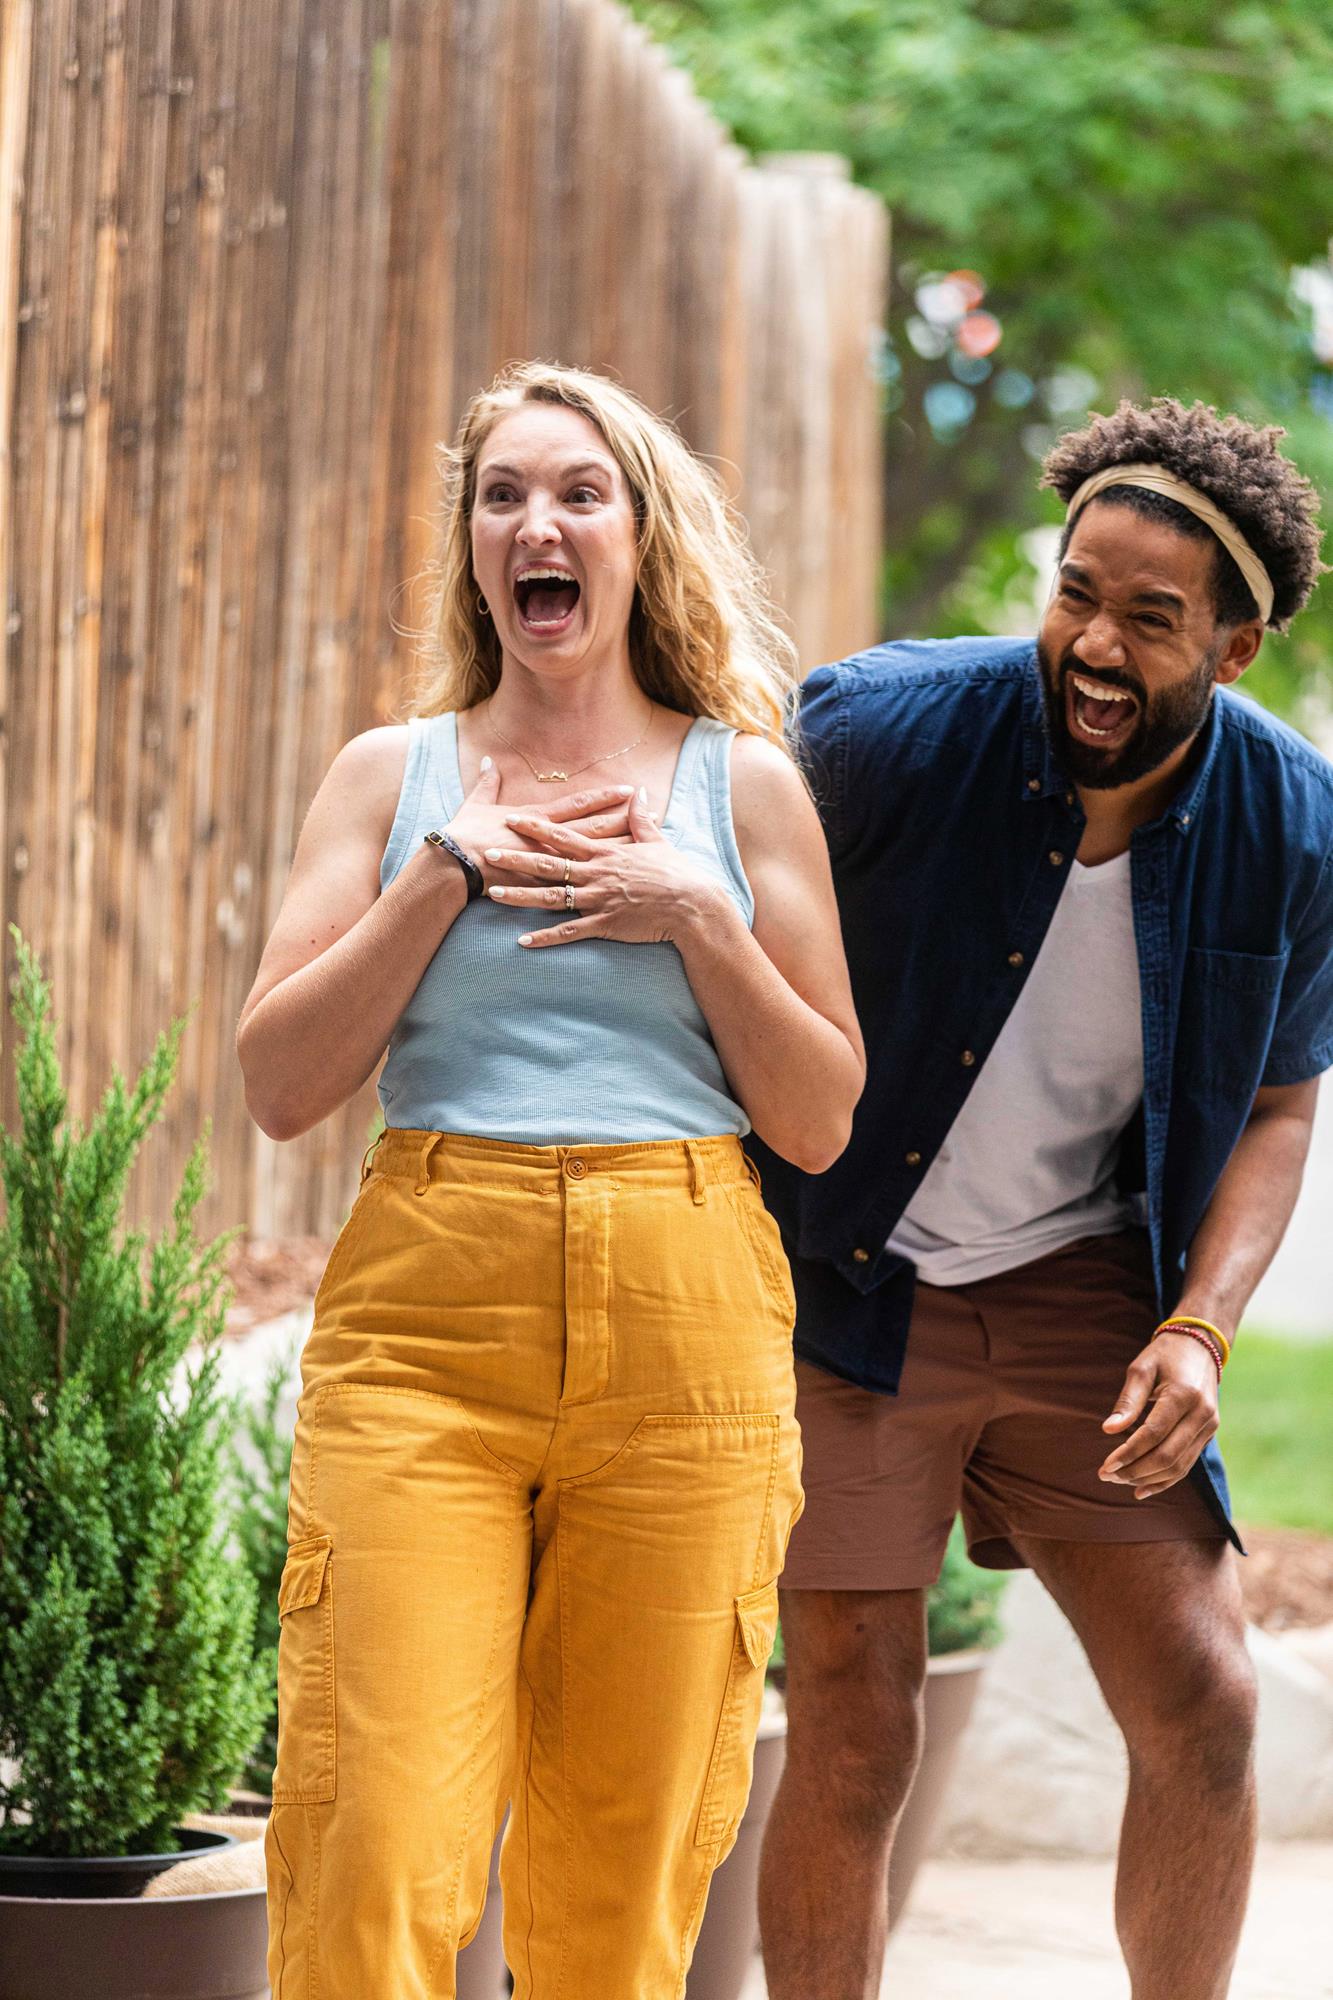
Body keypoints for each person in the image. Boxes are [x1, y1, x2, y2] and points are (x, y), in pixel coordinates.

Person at [236, 360, 863, 1999]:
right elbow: (280, 1084)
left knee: (623, 1869)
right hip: (424, 1337)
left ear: (640, 537)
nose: (539, 523)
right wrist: (442, 877)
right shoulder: (391, 778)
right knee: (374, 1835)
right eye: (501, 494)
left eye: (580, 493)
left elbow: (816, 1118)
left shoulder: (744, 786)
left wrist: (695, 914)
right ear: (470, 546)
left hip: (686, 1329)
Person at [752, 398, 1332, 2000]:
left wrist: (1199, 1327)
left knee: (1206, 1701)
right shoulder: (874, 731)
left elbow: (1280, 1105)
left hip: (1083, 1283)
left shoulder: (1292, 825)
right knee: (856, 1718)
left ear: (1233, 650)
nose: (1091, 643)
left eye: (1149, 618)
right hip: (848, 1278)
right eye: (1075, 591)